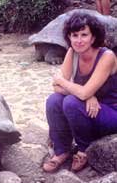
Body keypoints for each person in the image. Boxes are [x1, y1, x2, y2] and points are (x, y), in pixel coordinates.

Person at [43, 11, 117, 173]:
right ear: (69, 37)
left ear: (93, 37)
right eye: (74, 35)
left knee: (71, 102)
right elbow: (57, 89)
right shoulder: (72, 52)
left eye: (84, 35)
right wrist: (87, 95)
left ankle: (83, 150)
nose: (79, 40)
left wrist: (64, 82)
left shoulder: (107, 56)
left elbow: (63, 84)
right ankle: (61, 151)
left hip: (111, 111)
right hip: (88, 107)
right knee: (54, 100)